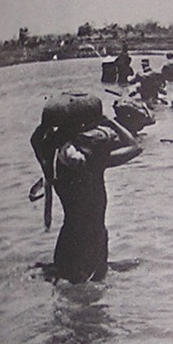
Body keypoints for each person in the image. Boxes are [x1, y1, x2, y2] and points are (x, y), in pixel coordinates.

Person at [30, 95, 143, 282]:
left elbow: (36, 138)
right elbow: (134, 147)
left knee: (69, 292)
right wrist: (109, 122)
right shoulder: (90, 161)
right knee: (93, 295)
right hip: (91, 240)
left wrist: (46, 125)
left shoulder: (51, 156)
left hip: (68, 239)